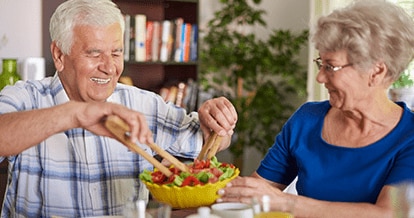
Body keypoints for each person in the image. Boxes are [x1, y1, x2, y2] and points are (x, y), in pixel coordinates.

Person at [0, 0, 237, 217]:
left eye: (116, 53)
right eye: (94, 54)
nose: (109, 67)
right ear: (59, 55)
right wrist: (74, 114)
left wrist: (218, 122)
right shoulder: (25, 98)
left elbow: (211, 141)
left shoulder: (144, 104)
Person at [217, 0, 414, 217]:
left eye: (331, 66)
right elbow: (254, 192)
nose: (320, 77)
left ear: (376, 72)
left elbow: (390, 214)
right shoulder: (307, 119)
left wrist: (287, 203)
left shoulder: (409, 136)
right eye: (321, 64)